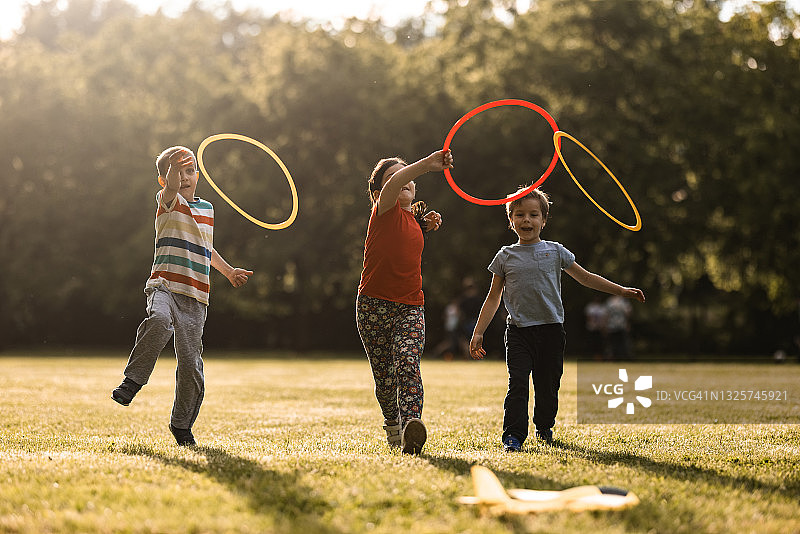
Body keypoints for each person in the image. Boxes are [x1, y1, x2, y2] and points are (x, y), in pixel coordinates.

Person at [469, 187, 644, 452]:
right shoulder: (505, 256)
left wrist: (620, 290)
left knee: (548, 385)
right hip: (518, 332)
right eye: (520, 215)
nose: (526, 220)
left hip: (551, 331)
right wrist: (478, 331)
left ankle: (544, 426)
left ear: (544, 220)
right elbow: (493, 297)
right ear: (511, 220)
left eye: (533, 215)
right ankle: (513, 436)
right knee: (517, 383)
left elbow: (586, 277)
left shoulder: (556, 251)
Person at [111, 146, 253, 446]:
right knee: (160, 321)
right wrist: (173, 167)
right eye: (177, 171)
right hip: (164, 285)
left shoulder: (208, 209)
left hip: (196, 295)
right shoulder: (168, 201)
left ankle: (182, 424)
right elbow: (173, 187)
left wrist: (227, 272)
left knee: (191, 364)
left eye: (189, 170)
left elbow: (205, 246)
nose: (184, 176)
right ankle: (133, 380)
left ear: (198, 176)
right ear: (164, 181)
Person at [355, 149, 454, 454]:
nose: (405, 179)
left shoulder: (413, 219)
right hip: (373, 306)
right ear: (378, 193)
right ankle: (392, 425)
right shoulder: (382, 211)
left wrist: (426, 224)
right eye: (395, 177)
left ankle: (412, 423)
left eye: (410, 178)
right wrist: (425, 164)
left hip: (411, 305)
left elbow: (406, 237)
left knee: (408, 360)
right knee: (384, 378)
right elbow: (398, 182)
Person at [605, 295, 633, 360]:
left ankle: (624, 357)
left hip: (621, 325)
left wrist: (627, 323)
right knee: (613, 343)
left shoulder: (622, 301)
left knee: (623, 343)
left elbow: (628, 313)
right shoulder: (610, 301)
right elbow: (606, 315)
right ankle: (614, 357)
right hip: (612, 325)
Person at [584, 296, 609, 360]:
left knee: (600, 343)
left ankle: (599, 356)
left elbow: (605, 318)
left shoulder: (602, 308)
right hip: (592, 328)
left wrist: (604, 327)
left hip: (600, 328)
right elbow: (588, 318)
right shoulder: (590, 307)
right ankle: (593, 356)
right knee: (592, 343)